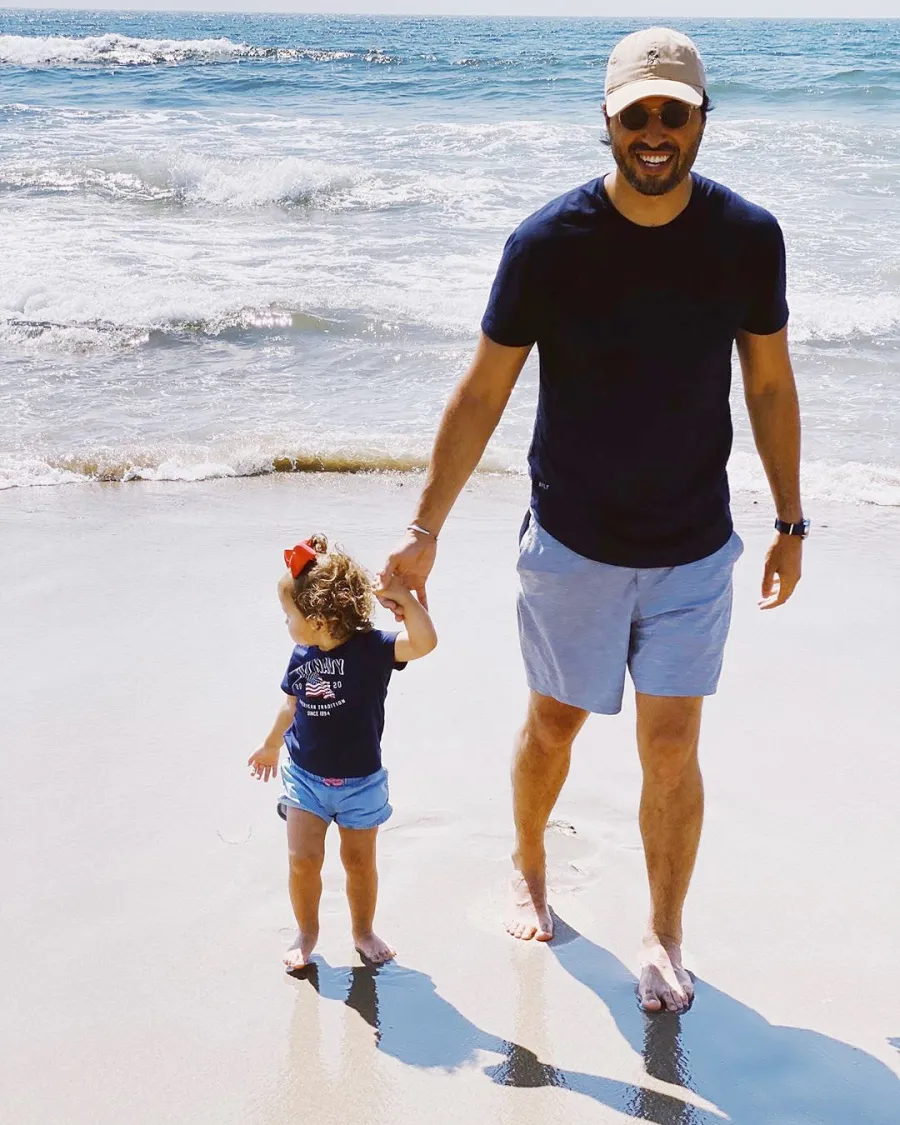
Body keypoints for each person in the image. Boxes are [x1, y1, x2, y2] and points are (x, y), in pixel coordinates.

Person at [381, 27, 806, 1013]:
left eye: (674, 113)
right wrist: (424, 526)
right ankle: (528, 866)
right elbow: (483, 392)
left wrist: (791, 520)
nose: (655, 133)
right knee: (557, 723)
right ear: (607, 121)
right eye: (636, 115)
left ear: (702, 120)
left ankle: (664, 934)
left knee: (672, 748)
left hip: (694, 546)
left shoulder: (748, 237)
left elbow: (772, 385)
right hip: (572, 542)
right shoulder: (547, 245)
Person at [249, 534, 437, 970]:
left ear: (318, 617)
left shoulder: (373, 648)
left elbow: (424, 643)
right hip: (305, 780)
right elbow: (291, 705)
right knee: (303, 860)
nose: (287, 625)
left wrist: (402, 598)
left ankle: (363, 931)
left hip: (361, 783)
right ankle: (307, 931)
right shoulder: (302, 654)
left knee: (358, 863)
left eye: (289, 615)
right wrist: (270, 745)